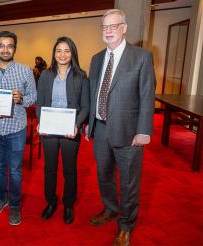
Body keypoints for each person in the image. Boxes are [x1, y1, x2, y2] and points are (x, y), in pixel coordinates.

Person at [85, 9, 156, 246]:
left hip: (129, 132)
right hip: (101, 129)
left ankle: (126, 225)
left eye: (113, 26)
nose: (108, 31)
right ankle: (110, 209)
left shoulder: (142, 57)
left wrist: (144, 130)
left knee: (128, 182)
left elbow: (147, 96)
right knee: (104, 175)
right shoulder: (96, 59)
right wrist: (89, 124)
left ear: (124, 28)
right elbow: (93, 93)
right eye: (104, 27)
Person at [0, 31, 36, 226]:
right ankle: (1, 199)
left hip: (16, 128)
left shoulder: (25, 70)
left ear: (15, 48)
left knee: (15, 170)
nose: (5, 49)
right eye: (1, 46)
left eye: (9, 46)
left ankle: (14, 205)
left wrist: (21, 98)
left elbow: (33, 97)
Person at [36, 37, 89, 224]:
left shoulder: (81, 76)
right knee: (49, 169)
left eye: (66, 50)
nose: (62, 54)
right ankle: (51, 202)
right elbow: (40, 102)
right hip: (49, 130)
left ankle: (68, 204)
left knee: (69, 170)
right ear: (54, 53)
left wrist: (76, 125)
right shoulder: (45, 75)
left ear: (72, 53)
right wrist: (41, 122)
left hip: (70, 130)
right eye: (59, 50)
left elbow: (85, 107)